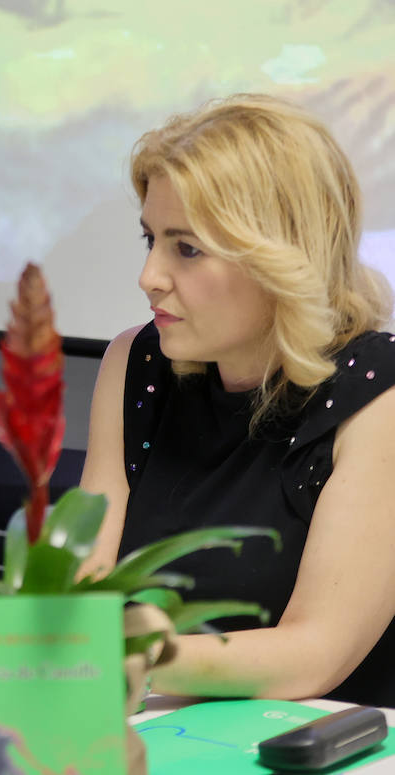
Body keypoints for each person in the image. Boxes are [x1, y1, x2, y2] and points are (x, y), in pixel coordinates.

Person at [78, 94, 395, 705]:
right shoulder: (135, 364)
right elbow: (79, 591)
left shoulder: (378, 394)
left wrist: (112, 654)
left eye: (186, 248)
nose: (149, 275)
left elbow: (313, 655)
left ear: (279, 256)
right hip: (151, 730)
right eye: (150, 239)